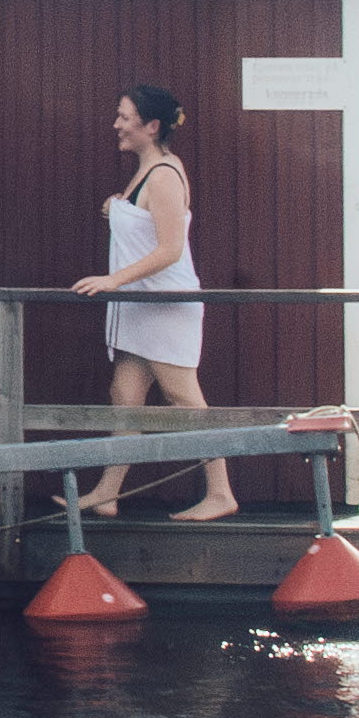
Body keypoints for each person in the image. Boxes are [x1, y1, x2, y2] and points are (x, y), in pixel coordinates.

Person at [68, 80, 237, 521]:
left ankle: (220, 493)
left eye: (125, 117)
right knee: (124, 393)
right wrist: (116, 207)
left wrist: (112, 280)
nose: (116, 125)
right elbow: (142, 222)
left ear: (152, 125)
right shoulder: (150, 168)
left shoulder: (163, 175)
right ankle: (106, 494)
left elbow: (169, 250)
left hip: (166, 304)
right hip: (142, 308)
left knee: (183, 397)